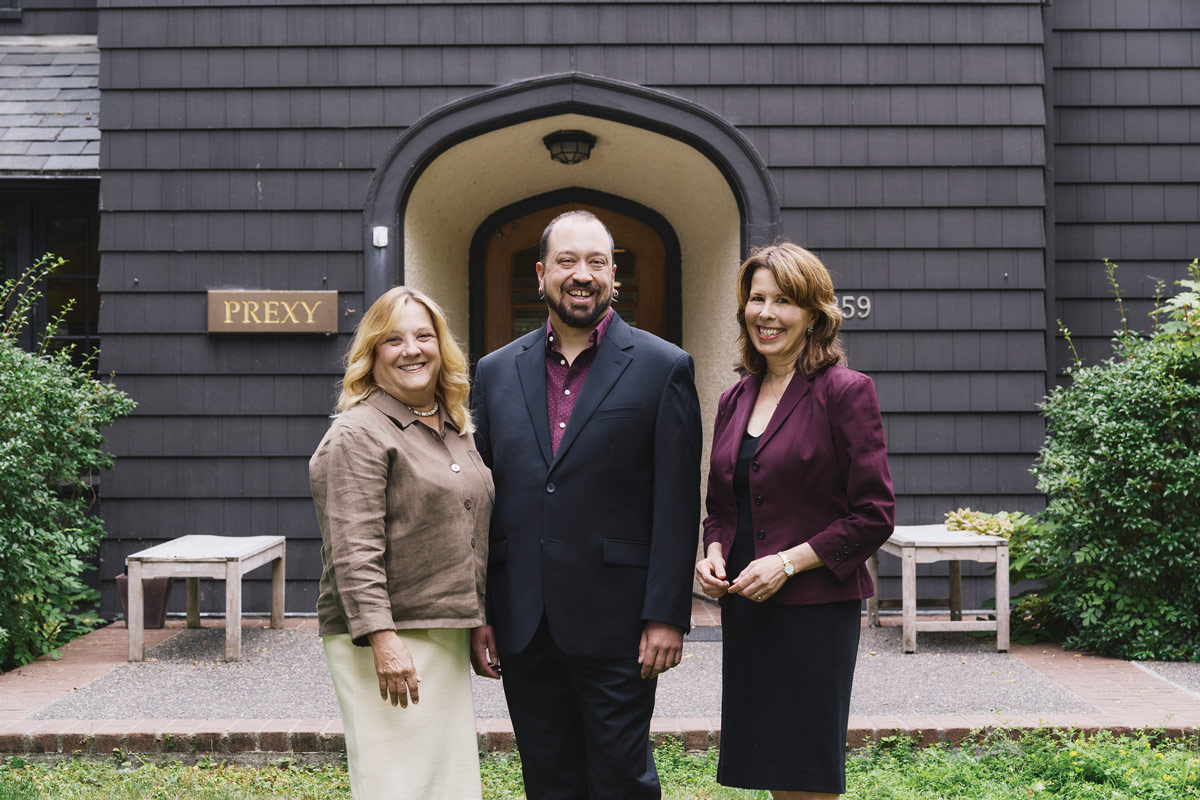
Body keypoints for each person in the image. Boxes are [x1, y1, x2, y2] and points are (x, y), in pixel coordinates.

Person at [469, 209, 702, 799]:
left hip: (620, 623)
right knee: (547, 780)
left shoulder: (663, 367)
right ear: (542, 273)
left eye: (596, 261)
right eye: (568, 261)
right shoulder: (495, 372)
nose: (582, 274)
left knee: (623, 778)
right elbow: (483, 501)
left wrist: (667, 614)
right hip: (524, 620)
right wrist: (483, 612)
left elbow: (676, 504)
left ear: (614, 275)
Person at [695, 242, 894, 800]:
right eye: (756, 299)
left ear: (813, 313)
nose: (766, 313)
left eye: (783, 300)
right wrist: (713, 553)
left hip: (814, 615)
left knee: (806, 774)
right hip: (749, 612)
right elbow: (721, 509)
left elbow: (874, 515)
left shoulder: (846, 393)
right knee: (769, 770)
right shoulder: (734, 399)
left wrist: (787, 562)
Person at [309, 286, 492, 800]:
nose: (411, 349)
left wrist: (475, 619)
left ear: (441, 347)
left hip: (443, 630)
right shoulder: (358, 432)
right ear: (371, 355)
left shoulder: (453, 425)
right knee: (397, 783)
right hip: (387, 636)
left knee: (445, 783)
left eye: (423, 336)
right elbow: (352, 548)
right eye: (393, 339)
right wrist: (383, 639)